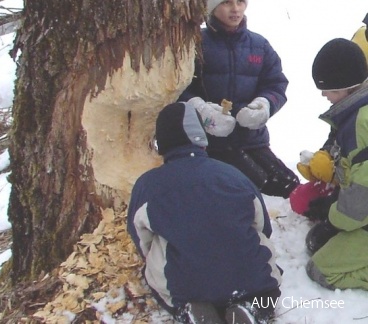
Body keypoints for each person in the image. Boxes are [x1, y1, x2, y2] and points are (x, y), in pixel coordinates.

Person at [127, 102, 282, 323]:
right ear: (202, 139)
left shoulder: (147, 185)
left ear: (161, 144)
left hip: (185, 281)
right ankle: (254, 308)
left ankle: (190, 309)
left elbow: (141, 239)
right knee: (264, 285)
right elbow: (262, 226)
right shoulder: (233, 174)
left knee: (158, 267)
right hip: (250, 277)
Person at [178, 0, 299, 198]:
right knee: (237, 193)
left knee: (288, 186)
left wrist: (264, 105)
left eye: (240, 2)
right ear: (212, 7)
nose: (235, 9)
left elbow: (276, 84)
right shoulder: (195, 43)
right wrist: (200, 110)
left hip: (251, 140)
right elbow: (177, 88)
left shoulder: (259, 45)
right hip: (207, 145)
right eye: (227, 3)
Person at [300, 38, 368, 290]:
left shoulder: (361, 123)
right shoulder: (357, 112)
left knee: (322, 270)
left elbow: (364, 191)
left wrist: (334, 221)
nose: (323, 95)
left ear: (347, 87)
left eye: (328, 89)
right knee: (318, 243)